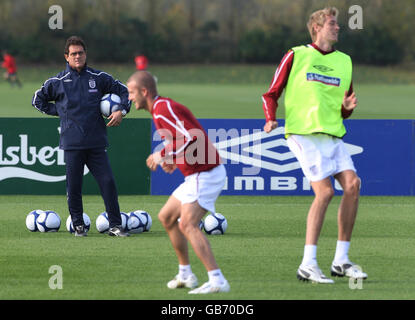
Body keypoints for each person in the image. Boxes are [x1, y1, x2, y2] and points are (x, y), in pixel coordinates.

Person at [261, 7, 367, 283]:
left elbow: (345, 108)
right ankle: (307, 264)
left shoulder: (345, 61)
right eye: (332, 23)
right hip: (303, 133)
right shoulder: (296, 54)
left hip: (332, 135)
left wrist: (346, 109)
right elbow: (271, 93)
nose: (338, 27)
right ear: (317, 28)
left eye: (338, 24)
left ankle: (341, 261)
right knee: (325, 193)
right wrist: (270, 119)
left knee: (353, 185)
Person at [127, 70, 230, 294]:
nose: (130, 97)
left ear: (144, 91)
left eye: (132, 92)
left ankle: (217, 280)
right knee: (167, 217)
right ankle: (186, 275)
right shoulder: (160, 109)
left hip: (206, 173)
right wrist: (174, 158)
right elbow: (184, 141)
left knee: (188, 224)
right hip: (197, 174)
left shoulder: (162, 109)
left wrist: (162, 155)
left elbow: (191, 136)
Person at [32, 36, 130, 237]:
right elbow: (37, 100)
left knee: (108, 183)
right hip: (72, 143)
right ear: (66, 57)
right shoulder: (57, 81)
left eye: (81, 53)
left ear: (86, 54)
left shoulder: (99, 77)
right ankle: (78, 226)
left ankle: (115, 226)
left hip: (96, 143)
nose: (78, 56)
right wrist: (60, 111)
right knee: (74, 187)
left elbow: (124, 91)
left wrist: (121, 109)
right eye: (74, 54)